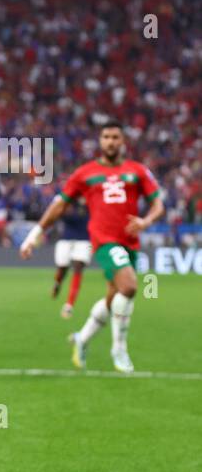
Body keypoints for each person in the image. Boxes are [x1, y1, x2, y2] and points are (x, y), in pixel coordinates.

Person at [20, 122, 163, 372]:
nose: (110, 141)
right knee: (128, 287)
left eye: (115, 137)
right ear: (100, 141)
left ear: (122, 141)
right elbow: (59, 205)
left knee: (113, 296)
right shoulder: (85, 173)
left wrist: (146, 221)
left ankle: (82, 339)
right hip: (104, 241)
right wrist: (36, 233)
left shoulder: (137, 171)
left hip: (130, 242)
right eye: (106, 137)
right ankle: (119, 349)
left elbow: (158, 204)